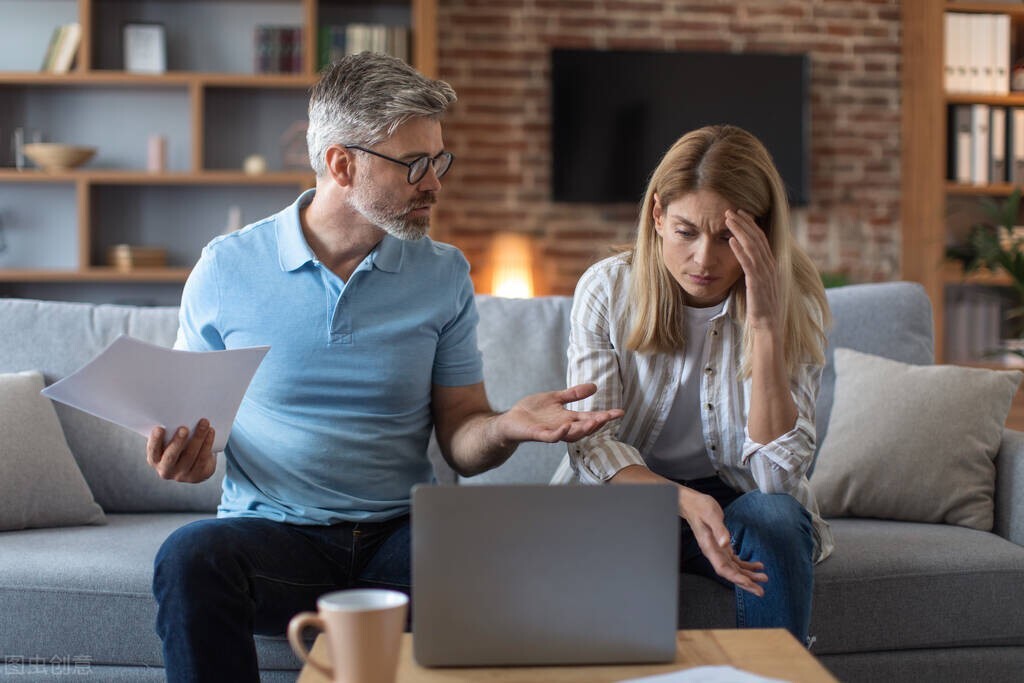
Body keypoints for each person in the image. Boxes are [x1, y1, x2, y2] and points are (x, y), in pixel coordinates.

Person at [146, 52, 622, 683]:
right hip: (277, 538)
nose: (435, 182)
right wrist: (193, 457)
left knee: (506, 553)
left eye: (439, 160)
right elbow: (193, 423)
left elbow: (461, 436)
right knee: (188, 557)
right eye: (414, 165)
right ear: (342, 166)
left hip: (402, 538)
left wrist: (505, 425)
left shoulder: (442, 272)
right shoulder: (227, 269)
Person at [551, 124, 833, 645]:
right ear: (657, 216)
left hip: (740, 500)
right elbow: (591, 443)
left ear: (762, 232)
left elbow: (775, 480)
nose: (705, 260)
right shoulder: (607, 288)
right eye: (685, 232)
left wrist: (767, 325)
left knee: (774, 517)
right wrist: (677, 498)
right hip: (631, 498)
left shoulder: (798, 305)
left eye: (728, 237)